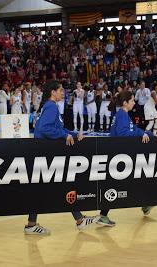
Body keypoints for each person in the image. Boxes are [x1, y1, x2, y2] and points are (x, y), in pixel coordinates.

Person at [25, 81, 100, 235]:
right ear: (53, 92)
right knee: (54, 187)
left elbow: (58, 128)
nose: (63, 93)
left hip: (45, 154)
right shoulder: (51, 106)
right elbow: (44, 129)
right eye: (60, 90)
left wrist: (72, 134)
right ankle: (33, 225)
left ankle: (78, 220)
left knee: (58, 186)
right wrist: (64, 135)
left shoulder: (50, 106)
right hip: (44, 155)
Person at [97, 91, 154, 227]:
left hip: (121, 155)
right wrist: (140, 135)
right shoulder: (122, 115)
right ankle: (103, 215)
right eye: (132, 100)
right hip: (119, 155)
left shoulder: (123, 114)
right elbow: (124, 134)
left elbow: (133, 128)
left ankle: (144, 204)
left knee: (133, 180)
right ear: (125, 103)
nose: (134, 102)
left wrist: (145, 132)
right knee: (122, 184)